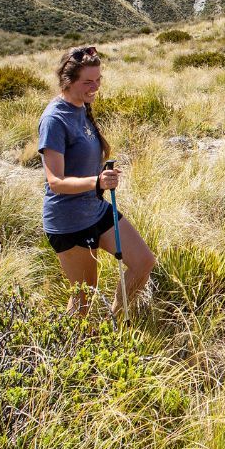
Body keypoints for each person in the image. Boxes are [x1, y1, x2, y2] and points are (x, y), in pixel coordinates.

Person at [38, 45, 156, 314]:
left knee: (143, 262)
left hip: (95, 209)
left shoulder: (81, 107)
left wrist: (101, 177)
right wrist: (97, 182)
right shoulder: (54, 120)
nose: (95, 87)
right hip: (69, 221)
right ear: (67, 81)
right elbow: (55, 181)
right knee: (82, 299)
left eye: (98, 80)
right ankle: (67, 348)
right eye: (87, 82)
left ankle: (113, 321)